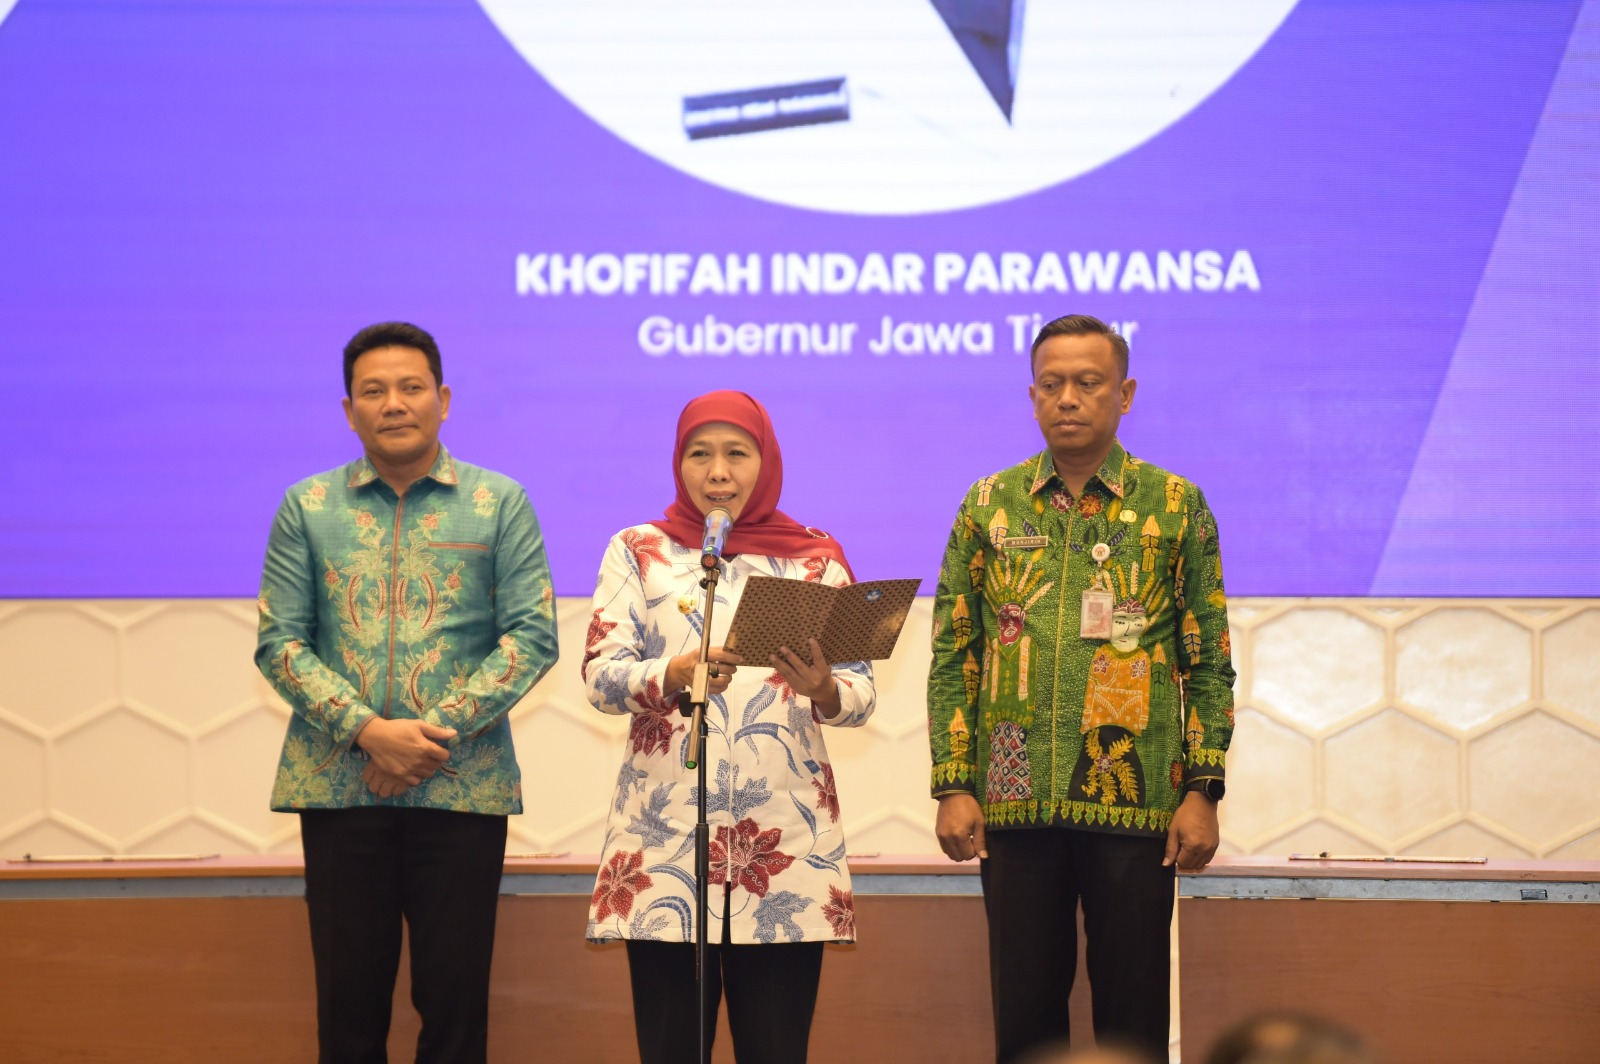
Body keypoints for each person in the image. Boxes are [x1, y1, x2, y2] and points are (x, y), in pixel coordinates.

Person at [927, 314, 1236, 1063]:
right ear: (1033, 395)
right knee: (1025, 1016)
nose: (1068, 398)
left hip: (1135, 797)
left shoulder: (1176, 504)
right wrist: (953, 784)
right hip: (1013, 796)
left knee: (1132, 1016)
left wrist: (1204, 789)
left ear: (1124, 394)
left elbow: (1208, 659)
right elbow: (954, 654)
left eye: (1088, 383)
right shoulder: (988, 503)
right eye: (1051, 383)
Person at [255, 321, 559, 1063]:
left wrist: (424, 740)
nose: (394, 403)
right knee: (348, 1009)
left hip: (461, 788)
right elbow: (280, 642)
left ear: (443, 400)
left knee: (455, 1008)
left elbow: (532, 636)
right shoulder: (307, 506)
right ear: (349, 410)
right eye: (374, 390)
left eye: (411, 387)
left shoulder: (499, 502)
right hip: (340, 786)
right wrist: (369, 732)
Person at [583, 389, 875, 1064]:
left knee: (776, 1049)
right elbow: (600, 675)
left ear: (765, 461)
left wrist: (823, 688)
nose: (718, 472)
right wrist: (674, 672)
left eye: (737, 454)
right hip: (664, 847)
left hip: (784, 850)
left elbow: (861, 695)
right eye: (700, 454)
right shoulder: (639, 551)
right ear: (678, 462)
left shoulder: (815, 560)